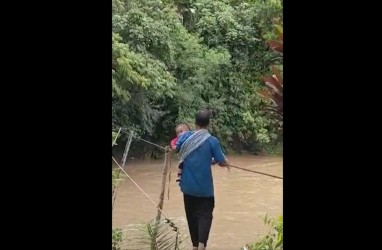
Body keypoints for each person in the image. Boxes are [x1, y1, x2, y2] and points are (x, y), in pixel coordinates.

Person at [176, 110, 229, 250]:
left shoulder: (186, 136)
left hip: (187, 188)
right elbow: (221, 161)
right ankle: (201, 245)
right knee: (205, 217)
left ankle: (194, 246)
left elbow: (176, 148)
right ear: (208, 123)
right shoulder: (212, 141)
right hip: (205, 190)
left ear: (195, 123)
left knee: (191, 217)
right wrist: (226, 163)